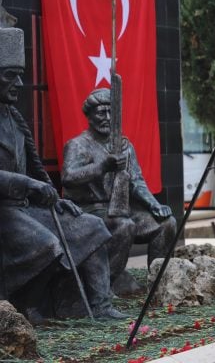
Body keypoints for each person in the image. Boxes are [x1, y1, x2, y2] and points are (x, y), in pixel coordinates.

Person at [0, 24, 125, 323]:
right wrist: (28, 185)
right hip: (4, 212)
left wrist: (55, 200)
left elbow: (36, 169)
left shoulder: (15, 120)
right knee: (46, 244)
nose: (18, 82)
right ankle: (26, 310)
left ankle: (98, 305)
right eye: (9, 76)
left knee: (92, 226)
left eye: (19, 74)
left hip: (27, 209)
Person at [62, 88, 177, 295]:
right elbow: (68, 177)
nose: (106, 118)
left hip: (120, 208)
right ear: (89, 116)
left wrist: (154, 204)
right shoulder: (78, 145)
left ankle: (158, 285)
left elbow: (136, 181)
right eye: (100, 112)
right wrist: (102, 166)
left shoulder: (124, 145)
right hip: (88, 210)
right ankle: (103, 289)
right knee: (124, 226)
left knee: (166, 224)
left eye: (111, 113)